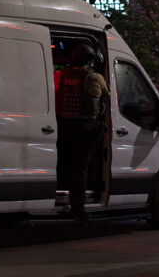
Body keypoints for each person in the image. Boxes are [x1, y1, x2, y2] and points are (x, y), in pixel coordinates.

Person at [55, 43, 109, 225]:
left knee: (65, 165)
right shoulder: (95, 78)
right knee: (81, 169)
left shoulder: (60, 75)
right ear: (91, 61)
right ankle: (78, 209)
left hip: (62, 126)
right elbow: (108, 99)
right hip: (85, 128)